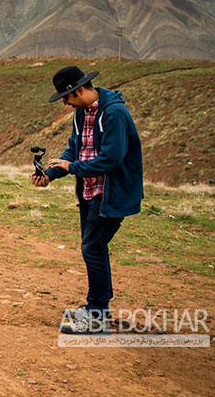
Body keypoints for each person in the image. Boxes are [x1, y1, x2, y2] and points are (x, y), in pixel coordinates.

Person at [31, 65, 143, 334]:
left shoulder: (114, 113)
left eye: (67, 97)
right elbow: (74, 148)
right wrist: (49, 174)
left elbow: (111, 159)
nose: (66, 104)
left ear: (79, 90)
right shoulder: (82, 114)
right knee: (93, 247)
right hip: (90, 191)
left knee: (93, 247)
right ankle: (97, 307)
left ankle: (97, 315)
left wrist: (71, 168)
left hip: (111, 192)